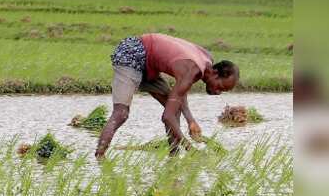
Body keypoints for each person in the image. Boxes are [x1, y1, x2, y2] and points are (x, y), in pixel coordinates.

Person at [95, 33, 238, 158]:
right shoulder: (192, 70)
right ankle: (99, 157)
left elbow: (181, 90)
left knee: (174, 109)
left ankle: (173, 157)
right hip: (132, 53)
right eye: (221, 86)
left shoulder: (206, 60)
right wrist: (190, 149)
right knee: (121, 113)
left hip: (149, 63)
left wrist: (190, 120)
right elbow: (167, 116)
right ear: (215, 73)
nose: (218, 92)